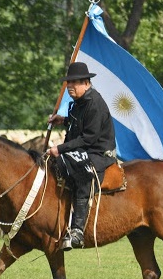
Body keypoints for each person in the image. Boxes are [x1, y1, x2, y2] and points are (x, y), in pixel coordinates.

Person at [47, 62, 116, 250]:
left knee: (81, 174)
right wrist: (64, 120)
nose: (70, 86)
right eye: (69, 82)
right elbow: (80, 124)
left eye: (75, 82)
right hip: (84, 149)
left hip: (99, 153)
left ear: (86, 83)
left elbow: (89, 138)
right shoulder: (78, 102)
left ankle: (77, 230)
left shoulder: (95, 104)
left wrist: (60, 149)